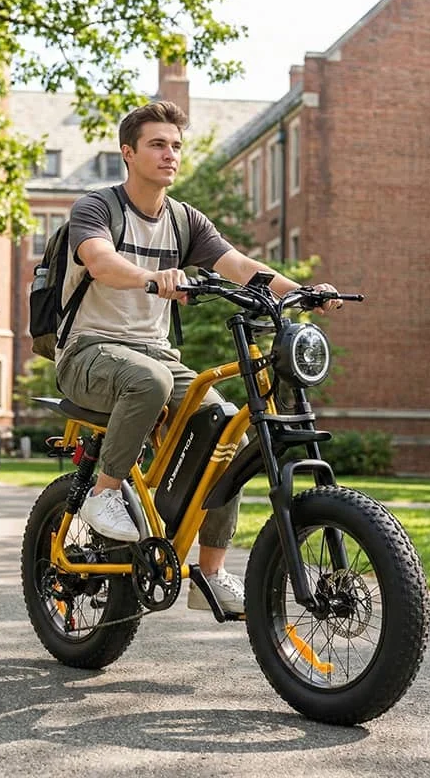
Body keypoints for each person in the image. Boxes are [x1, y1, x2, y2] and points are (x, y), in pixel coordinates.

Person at [55, 101, 342, 614]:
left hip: (157, 356)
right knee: (149, 382)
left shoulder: (184, 220)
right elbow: (99, 260)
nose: (170, 155)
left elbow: (239, 265)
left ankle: (208, 575)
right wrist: (152, 278)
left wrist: (301, 291)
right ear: (129, 152)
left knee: (228, 429)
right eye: (158, 145)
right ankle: (104, 492)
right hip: (88, 352)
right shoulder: (98, 208)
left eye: (176, 146)